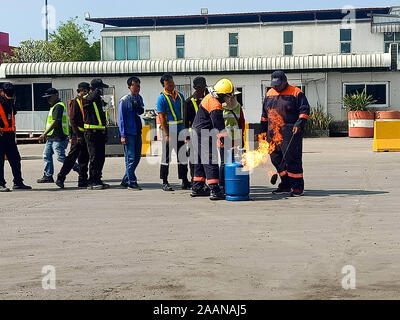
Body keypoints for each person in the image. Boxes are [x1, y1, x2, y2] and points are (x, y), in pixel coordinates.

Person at [260, 70, 310, 197]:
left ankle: (297, 187)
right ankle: (286, 184)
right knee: (276, 158)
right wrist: (262, 132)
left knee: (292, 159)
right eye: (274, 84)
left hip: (290, 131)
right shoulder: (269, 94)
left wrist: (299, 124)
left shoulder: (296, 92)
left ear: (285, 81)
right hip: (273, 131)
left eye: (278, 84)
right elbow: (264, 116)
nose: (276, 86)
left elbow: (304, 110)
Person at [191, 78, 240, 201]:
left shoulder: (209, 97)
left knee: (200, 161)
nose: (229, 98)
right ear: (223, 95)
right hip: (204, 134)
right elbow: (219, 128)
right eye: (229, 96)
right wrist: (226, 143)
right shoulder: (215, 106)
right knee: (210, 161)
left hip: (196, 132)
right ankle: (215, 190)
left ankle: (197, 187)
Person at [157, 74, 191, 191]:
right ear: (164, 85)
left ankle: (184, 180)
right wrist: (166, 134)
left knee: (182, 157)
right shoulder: (162, 98)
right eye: (168, 84)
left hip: (181, 130)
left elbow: (185, 115)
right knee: (166, 158)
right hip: (169, 132)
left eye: (172, 82)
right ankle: (165, 181)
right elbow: (161, 117)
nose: (171, 85)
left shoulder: (180, 96)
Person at [37, 88, 77, 183]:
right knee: (46, 155)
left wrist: (44, 134)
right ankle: (48, 175)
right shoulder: (54, 106)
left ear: (56, 95)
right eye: (47, 98)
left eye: (49, 97)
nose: (48, 100)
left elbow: (55, 122)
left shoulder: (58, 106)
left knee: (60, 157)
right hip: (52, 137)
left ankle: (78, 168)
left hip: (59, 137)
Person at [55, 82, 90, 189]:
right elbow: (72, 120)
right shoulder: (75, 102)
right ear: (82, 91)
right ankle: (61, 177)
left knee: (84, 158)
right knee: (71, 158)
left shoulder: (86, 102)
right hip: (78, 135)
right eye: (86, 91)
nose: (88, 93)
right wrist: (77, 135)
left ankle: (83, 180)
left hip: (85, 134)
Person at [0, 83, 31, 192]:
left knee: (15, 159)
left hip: (9, 135)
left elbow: (12, 117)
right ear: (2, 92)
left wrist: (14, 135)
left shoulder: (10, 102)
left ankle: (18, 182)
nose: (10, 96)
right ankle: (0, 183)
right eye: (8, 93)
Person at [83, 79, 110, 190]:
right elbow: (88, 101)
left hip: (100, 132)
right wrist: (95, 93)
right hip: (91, 133)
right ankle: (92, 181)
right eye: (101, 88)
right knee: (94, 158)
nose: (103, 90)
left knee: (100, 158)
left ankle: (98, 179)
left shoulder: (98, 100)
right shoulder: (87, 99)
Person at [118, 76, 144, 190]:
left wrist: (138, 105)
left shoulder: (139, 98)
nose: (137, 88)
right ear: (129, 86)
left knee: (137, 157)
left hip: (137, 131)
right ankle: (131, 182)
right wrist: (122, 135)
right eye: (135, 86)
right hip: (128, 133)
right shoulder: (124, 100)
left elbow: (140, 111)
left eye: (139, 86)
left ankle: (125, 179)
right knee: (131, 158)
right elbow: (121, 119)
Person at [219, 93, 246, 190]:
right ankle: (221, 185)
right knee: (224, 162)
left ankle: (235, 184)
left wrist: (241, 139)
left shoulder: (238, 107)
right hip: (224, 138)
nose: (232, 98)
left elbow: (242, 122)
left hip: (237, 138)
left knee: (237, 162)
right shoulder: (220, 107)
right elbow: (218, 124)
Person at [184, 76, 208, 182]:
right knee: (194, 160)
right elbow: (185, 122)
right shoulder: (188, 102)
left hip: (206, 135)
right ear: (194, 87)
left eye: (203, 87)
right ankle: (195, 181)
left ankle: (203, 181)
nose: (201, 90)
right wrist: (187, 138)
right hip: (193, 136)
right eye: (199, 88)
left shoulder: (207, 100)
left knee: (205, 159)